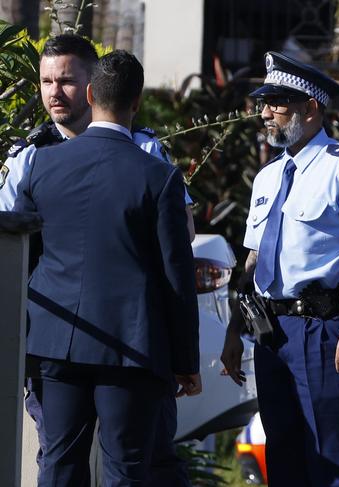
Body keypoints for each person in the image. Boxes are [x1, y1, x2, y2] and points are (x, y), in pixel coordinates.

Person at [0, 34, 194, 487]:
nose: (53, 92)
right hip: (124, 342)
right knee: (117, 466)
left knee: (66, 465)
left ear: (91, 87)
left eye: (65, 80)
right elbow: (176, 267)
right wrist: (184, 357)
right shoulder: (32, 156)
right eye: (45, 81)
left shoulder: (44, 167)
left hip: (61, 344)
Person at [220, 51, 339, 487]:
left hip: (324, 330)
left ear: (311, 108)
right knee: (282, 457)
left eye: (278, 103)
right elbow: (252, 260)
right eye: (264, 102)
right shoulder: (268, 176)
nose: (265, 113)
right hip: (271, 331)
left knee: (332, 458)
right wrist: (235, 328)